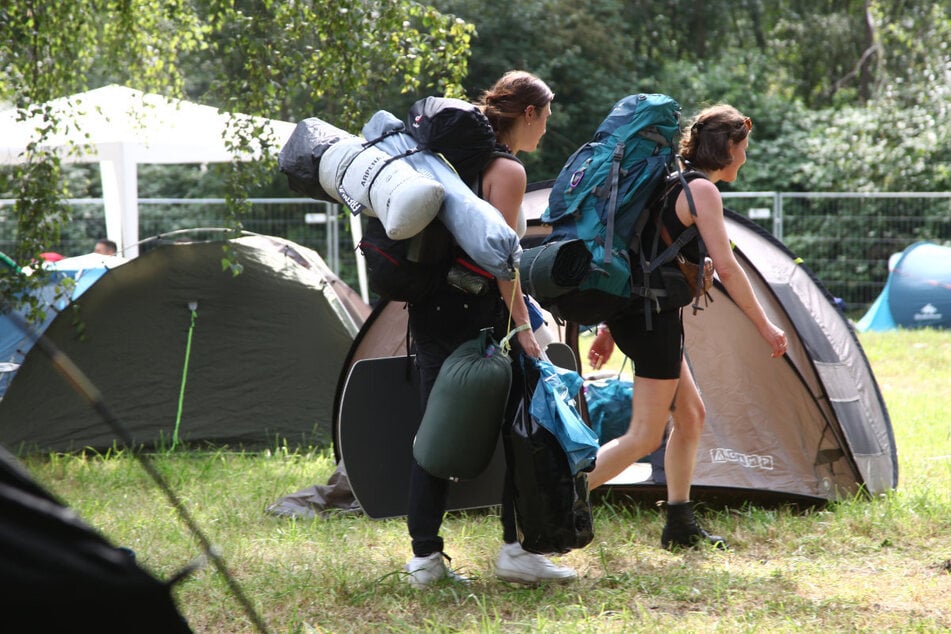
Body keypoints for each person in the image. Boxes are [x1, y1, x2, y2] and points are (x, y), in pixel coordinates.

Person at [585, 104, 788, 550]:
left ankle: (679, 524)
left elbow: (632, 254)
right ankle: (553, 500)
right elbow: (730, 271)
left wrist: (606, 326)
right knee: (643, 436)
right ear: (729, 148)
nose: (746, 157)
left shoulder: (666, 181)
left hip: (639, 316)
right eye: (744, 148)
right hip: (652, 322)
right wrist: (766, 327)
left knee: (691, 416)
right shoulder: (701, 192)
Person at [404, 70, 578, 588]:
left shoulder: (450, 162)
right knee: (522, 429)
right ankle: (517, 551)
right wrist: (523, 325)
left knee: (437, 431)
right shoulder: (506, 171)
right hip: (480, 317)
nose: (545, 131)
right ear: (527, 114)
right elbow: (498, 258)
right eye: (544, 119)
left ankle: (425, 560)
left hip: (433, 312)